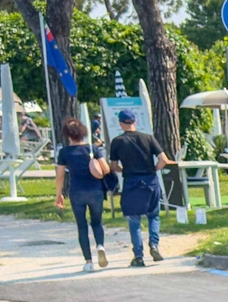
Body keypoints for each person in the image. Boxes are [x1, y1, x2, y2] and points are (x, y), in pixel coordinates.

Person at [105, 106, 174, 267]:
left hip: (131, 183)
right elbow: (164, 159)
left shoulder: (117, 142)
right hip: (150, 181)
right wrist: (154, 168)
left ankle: (138, 256)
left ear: (121, 123)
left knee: (134, 220)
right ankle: (154, 245)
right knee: (154, 216)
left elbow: (113, 167)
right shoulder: (148, 138)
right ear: (135, 121)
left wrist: (124, 170)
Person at [52, 116, 109, 271]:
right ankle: (100, 245)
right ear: (83, 132)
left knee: (82, 225)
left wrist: (59, 194)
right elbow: (106, 169)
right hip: (95, 190)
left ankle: (88, 261)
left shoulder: (65, 152)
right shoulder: (93, 149)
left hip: (77, 192)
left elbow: (60, 175)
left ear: (67, 134)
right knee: (97, 222)